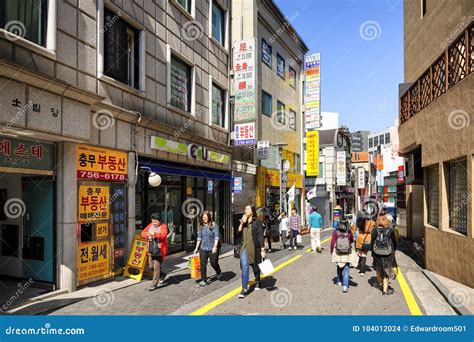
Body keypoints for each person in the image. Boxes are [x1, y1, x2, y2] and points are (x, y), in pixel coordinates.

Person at [237, 205, 265, 298]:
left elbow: (260, 236)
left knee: (255, 266)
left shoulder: (257, 222)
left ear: (252, 211)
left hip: (254, 248)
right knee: (245, 267)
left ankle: (258, 280)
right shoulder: (243, 221)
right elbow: (238, 233)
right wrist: (241, 223)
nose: (246, 210)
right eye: (245, 209)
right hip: (244, 248)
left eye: (247, 209)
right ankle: (244, 289)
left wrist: (262, 249)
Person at [193, 211, 222, 286]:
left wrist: (215, 246)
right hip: (203, 248)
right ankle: (204, 280)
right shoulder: (201, 226)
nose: (204, 219)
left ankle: (218, 271)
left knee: (214, 263)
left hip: (212, 248)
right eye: (203, 217)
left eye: (205, 217)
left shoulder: (213, 225)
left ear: (209, 217)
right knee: (203, 265)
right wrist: (196, 248)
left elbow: (216, 236)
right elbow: (199, 238)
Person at [371, 214, 398, 295]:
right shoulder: (390, 231)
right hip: (388, 254)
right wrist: (394, 250)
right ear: (386, 221)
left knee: (378, 269)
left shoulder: (374, 231)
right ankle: (385, 290)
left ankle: (380, 284)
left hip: (377, 254)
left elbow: (372, 243)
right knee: (387, 271)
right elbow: (394, 242)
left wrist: (372, 253)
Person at [141, 213, 168, 291]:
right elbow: (142, 233)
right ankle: (162, 275)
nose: (154, 223)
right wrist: (147, 235)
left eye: (156, 221)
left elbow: (163, 235)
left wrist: (154, 234)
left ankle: (154, 284)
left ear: (159, 221)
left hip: (159, 251)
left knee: (156, 267)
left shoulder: (163, 226)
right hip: (151, 250)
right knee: (151, 266)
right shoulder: (150, 226)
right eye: (153, 222)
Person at [330, 219, 354, 293]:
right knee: (346, 268)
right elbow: (352, 240)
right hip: (347, 252)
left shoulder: (335, 232)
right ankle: (345, 286)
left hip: (338, 251)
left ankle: (339, 281)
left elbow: (332, 242)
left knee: (339, 266)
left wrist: (332, 252)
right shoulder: (349, 232)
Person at [354, 209, 376, 276]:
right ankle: (362, 270)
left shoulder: (360, 221)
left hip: (360, 237)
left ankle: (360, 267)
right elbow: (374, 228)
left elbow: (354, 228)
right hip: (367, 238)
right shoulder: (372, 222)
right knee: (364, 255)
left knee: (360, 253)